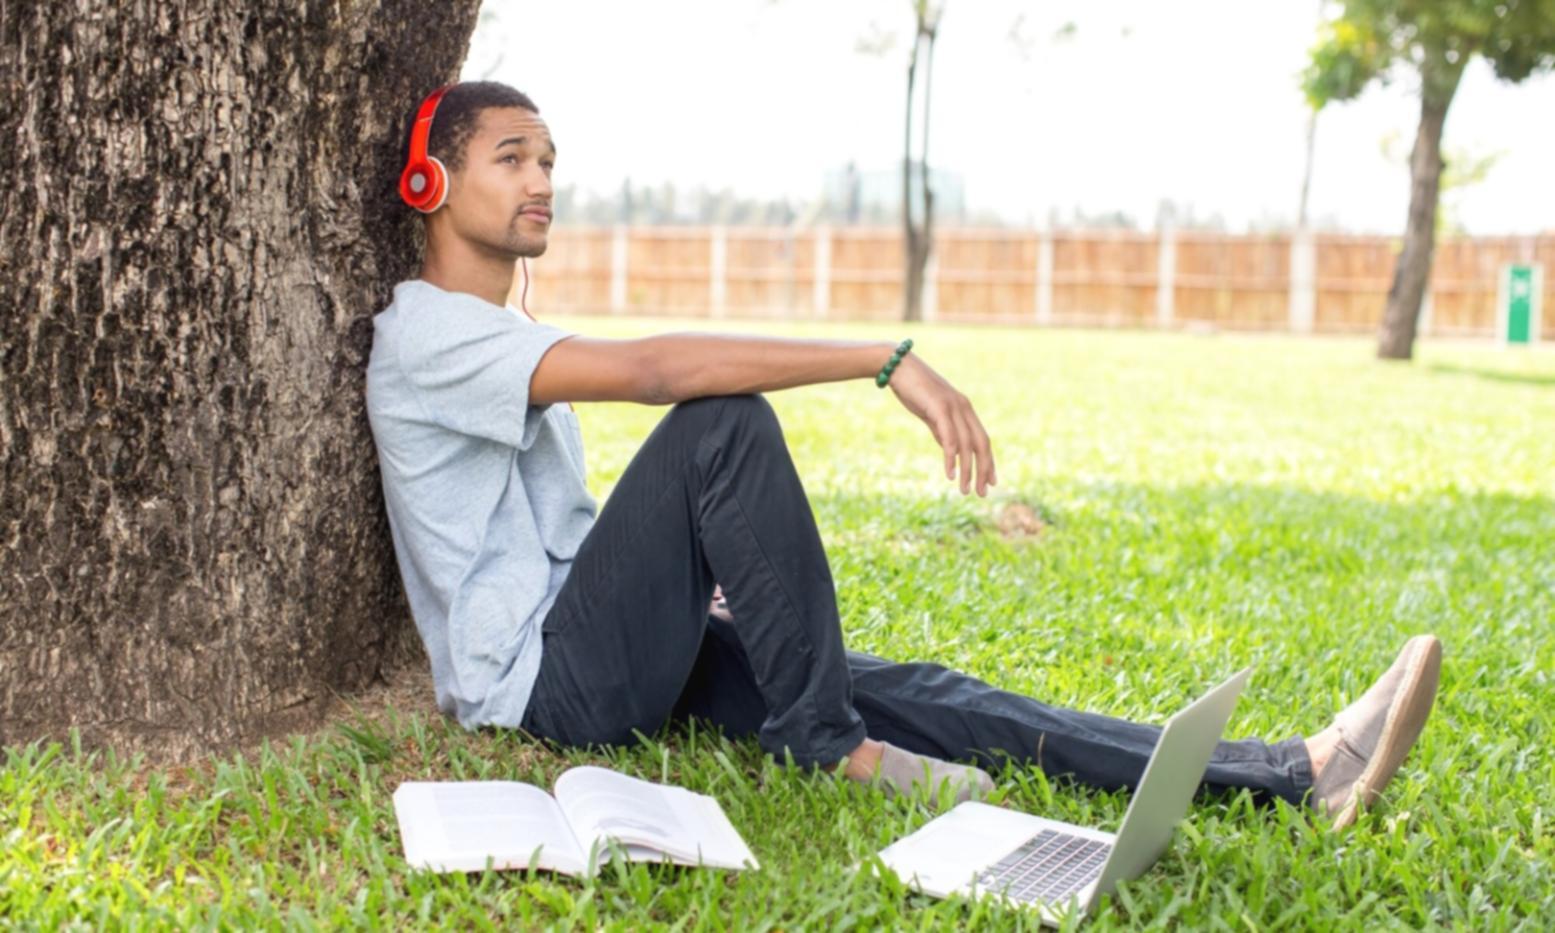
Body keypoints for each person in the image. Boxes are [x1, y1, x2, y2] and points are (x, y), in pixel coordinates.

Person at [365, 81, 1441, 831]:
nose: (542, 179)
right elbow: (655, 371)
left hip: (615, 644)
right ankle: (828, 746)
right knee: (719, 423)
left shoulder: (503, 336)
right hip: (549, 688)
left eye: (549, 159)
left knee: (933, 693)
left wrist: (698, 598)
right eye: (510, 158)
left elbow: (579, 536)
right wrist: (881, 360)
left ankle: (1290, 774)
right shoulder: (425, 337)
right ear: (430, 183)